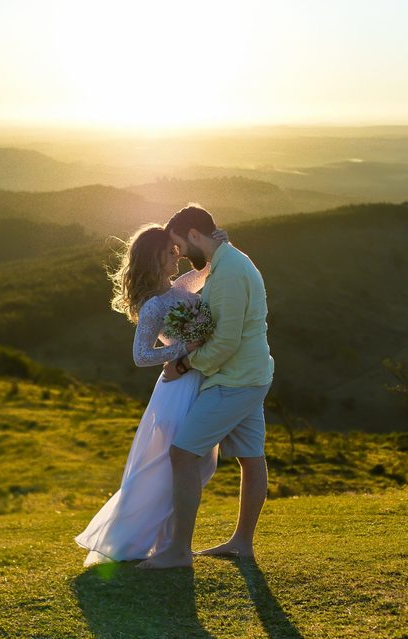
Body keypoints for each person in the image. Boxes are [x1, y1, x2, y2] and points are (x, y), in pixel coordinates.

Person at [73, 222, 229, 566]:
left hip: (199, 379)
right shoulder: (153, 306)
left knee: (199, 462)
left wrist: (218, 241)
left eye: (177, 252)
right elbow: (142, 356)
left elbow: (208, 267)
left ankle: (172, 540)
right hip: (178, 390)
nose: (178, 259)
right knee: (171, 465)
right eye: (171, 254)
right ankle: (160, 542)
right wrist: (183, 348)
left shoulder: (182, 286)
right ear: (155, 258)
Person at [136, 204, 274, 570]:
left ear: (195, 235)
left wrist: (183, 363)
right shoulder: (225, 263)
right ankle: (242, 543)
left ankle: (179, 551)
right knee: (250, 455)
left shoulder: (228, 272)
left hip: (234, 379)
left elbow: (225, 341)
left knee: (182, 454)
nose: (179, 254)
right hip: (249, 375)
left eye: (180, 245)